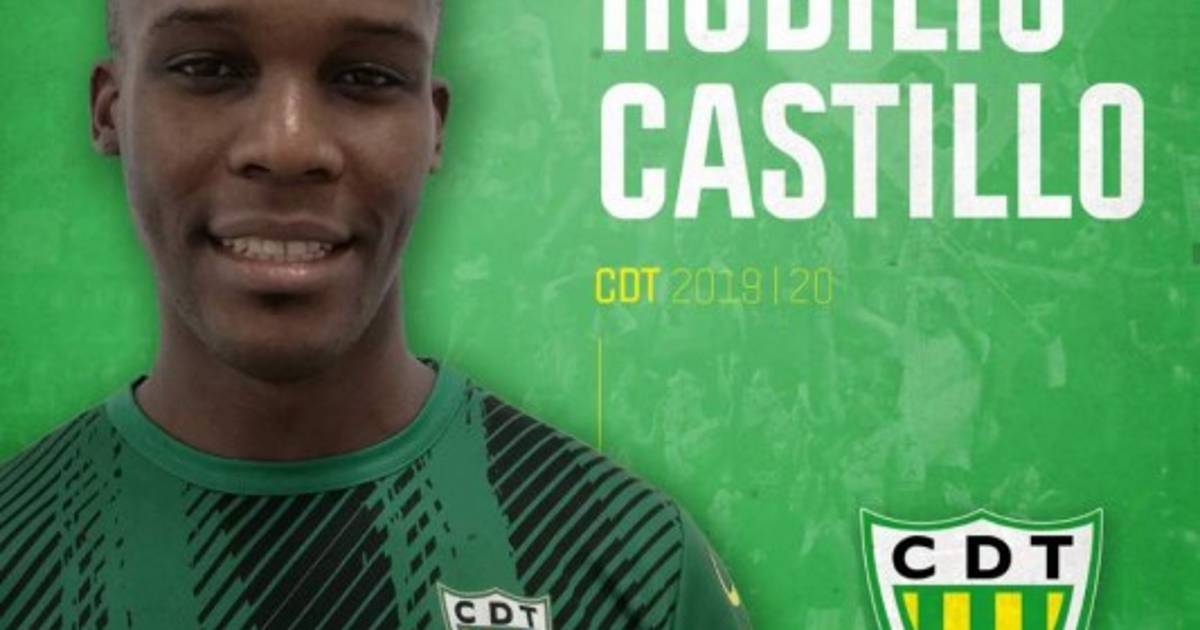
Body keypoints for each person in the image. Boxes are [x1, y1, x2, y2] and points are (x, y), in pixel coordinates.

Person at [0, 1, 752, 628]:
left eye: (366, 76)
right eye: (208, 68)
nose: (288, 145)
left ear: (435, 126)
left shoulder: (631, 561)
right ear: (110, 110)